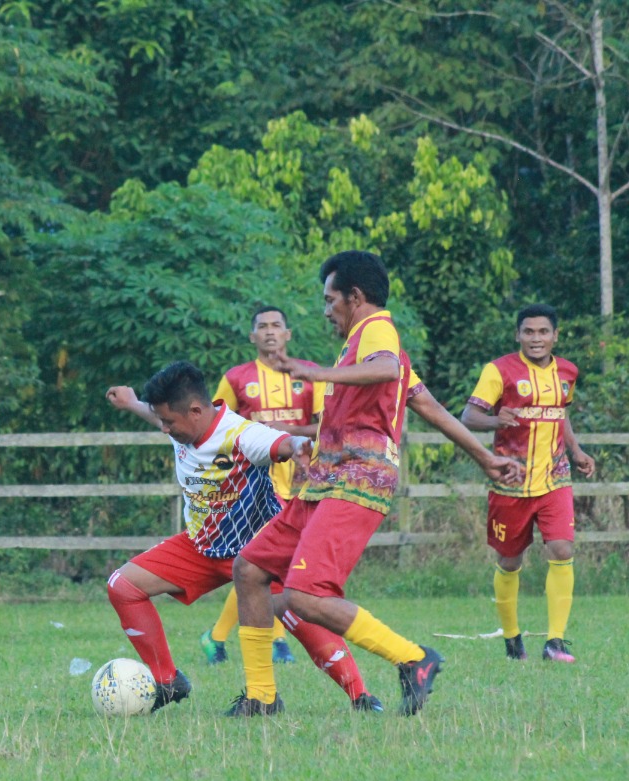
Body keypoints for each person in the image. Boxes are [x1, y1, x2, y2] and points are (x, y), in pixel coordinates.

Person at [228, 250, 523, 717]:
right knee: (249, 570)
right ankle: (262, 697)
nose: (326, 312)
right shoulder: (361, 346)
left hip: (357, 481)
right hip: (325, 480)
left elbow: (386, 368)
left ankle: (414, 658)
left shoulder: (378, 329)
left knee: (306, 596)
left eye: (330, 301)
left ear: (355, 297)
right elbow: (431, 408)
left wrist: (315, 372)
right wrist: (486, 456)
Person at [106, 361, 384, 713]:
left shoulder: (241, 434)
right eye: (161, 420)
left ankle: (361, 696)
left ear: (195, 411)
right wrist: (132, 403)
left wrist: (299, 444)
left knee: (297, 613)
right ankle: (167, 681)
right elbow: (161, 415)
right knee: (123, 586)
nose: (163, 429)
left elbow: (280, 443)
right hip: (204, 545)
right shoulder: (184, 423)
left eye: (168, 422)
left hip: (261, 553)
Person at [460, 305, 596, 662]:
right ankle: (511, 637)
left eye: (543, 332)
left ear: (555, 335)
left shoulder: (567, 372)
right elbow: (468, 416)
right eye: (529, 332)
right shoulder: (499, 370)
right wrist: (495, 421)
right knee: (508, 561)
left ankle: (555, 641)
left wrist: (577, 450)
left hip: (555, 478)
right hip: (512, 483)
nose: (536, 339)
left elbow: (560, 412)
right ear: (518, 335)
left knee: (563, 550)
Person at [200, 306, 320, 668]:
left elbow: (327, 426)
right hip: (254, 485)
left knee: (260, 566)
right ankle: (277, 641)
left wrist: (289, 433)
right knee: (267, 564)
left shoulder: (311, 375)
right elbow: (214, 427)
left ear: (288, 334)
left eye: (276, 326)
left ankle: (217, 636)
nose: (270, 332)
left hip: (301, 482)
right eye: (262, 327)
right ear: (252, 336)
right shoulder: (236, 379)